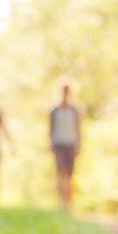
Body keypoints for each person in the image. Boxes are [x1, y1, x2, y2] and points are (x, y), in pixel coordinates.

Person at [49, 82, 81, 210]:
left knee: (69, 175)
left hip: (71, 144)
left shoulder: (75, 110)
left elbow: (79, 129)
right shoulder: (54, 110)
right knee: (61, 173)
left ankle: (69, 201)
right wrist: (50, 143)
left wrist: (79, 144)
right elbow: (50, 129)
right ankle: (62, 202)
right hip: (59, 144)